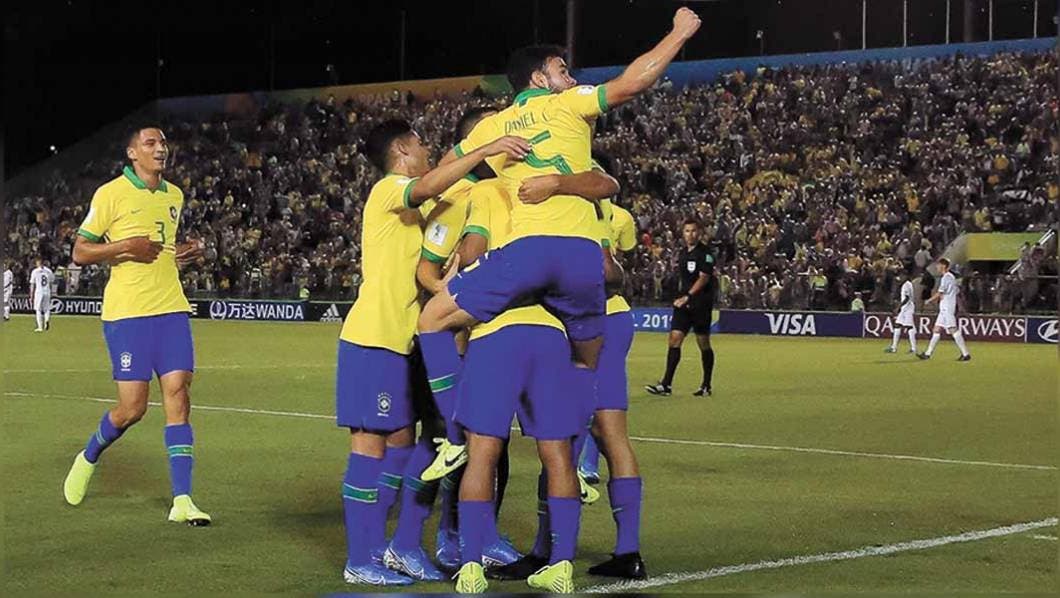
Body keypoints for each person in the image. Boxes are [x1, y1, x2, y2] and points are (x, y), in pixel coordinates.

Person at [416, 6, 703, 488]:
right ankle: (575, 461)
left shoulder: (493, 126)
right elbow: (632, 84)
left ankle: (454, 435)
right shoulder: (570, 104)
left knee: (432, 321)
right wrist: (679, 33)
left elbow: (436, 178)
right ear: (539, 78)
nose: (570, 77)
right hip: (583, 261)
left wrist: (484, 152)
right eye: (562, 69)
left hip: (526, 257)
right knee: (584, 365)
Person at [334, 118, 530, 586]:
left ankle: (385, 548)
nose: (427, 150)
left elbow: (437, 202)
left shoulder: (419, 207)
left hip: (401, 343)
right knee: (368, 449)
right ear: (402, 149)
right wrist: (484, 148)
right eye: (420, 143)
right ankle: (359, 559)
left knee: (401, 448)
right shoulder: (387, 190)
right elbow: (429, 184)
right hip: (372, 338)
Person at [448, 161, 620, 594]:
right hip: (549, 332)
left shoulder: (489, 191)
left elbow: (472, 255)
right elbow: (604, 272)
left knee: (481, 454)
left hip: (495, 331)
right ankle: (561, 564)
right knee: (557, 455)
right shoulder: (565, 198)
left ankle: (471, 567)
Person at [62, 125, 210, 526]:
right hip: (128, 314)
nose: (161, 149)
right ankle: (89, 455)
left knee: (178, 394)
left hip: (171, 308)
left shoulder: (174, 195)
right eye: (151, 143)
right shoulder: (110, 194)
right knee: (133, 408)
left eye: (163, 143)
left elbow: (161, 251)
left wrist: (182, 254)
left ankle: (182, 500)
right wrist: (126, 246)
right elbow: (80, 251)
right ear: (132, 153)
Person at [645, 219, 717, 397]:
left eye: (693, 231)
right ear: (683, 233)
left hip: (700, 304)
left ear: (699, 233)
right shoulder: (683, 253)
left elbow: (704, 278)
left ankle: (706, 385)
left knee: (703, 343)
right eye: (687, 231)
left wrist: (688, 296)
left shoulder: (706, 254)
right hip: (683, 304)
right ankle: (666, 385)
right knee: (674, 339)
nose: (690, 234)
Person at [918, 258, 971, 361]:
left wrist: (929, 300)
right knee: (936, 329)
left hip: (947, 307)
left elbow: (940, 292)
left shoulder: (946, 277)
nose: (937, 267)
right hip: (945, 308)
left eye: (938, 265)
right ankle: (927, 354)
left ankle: (965, 354)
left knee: (953, 329)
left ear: (943, 266)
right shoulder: (951, 277)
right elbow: (956, 292)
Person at [886, 269, 917, 354]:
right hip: (905, 309)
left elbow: (907, 298)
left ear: (905, 276)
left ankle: (913, 348)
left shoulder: (906, 285)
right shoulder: (907, 284)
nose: (900, 277)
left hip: (908, 308)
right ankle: (894, 347)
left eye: (901, 275)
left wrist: (898, 307)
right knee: (897, 325)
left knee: (909, 327)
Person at [29, 257, 55, 332]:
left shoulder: (35, 271)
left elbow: (32, 284)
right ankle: (47, 320)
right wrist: (51, 292)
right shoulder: (49, 271)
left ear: (38, 263)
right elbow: (51, 282)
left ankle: (40, 327)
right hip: (47, 291)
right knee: (46, 309)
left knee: (38, 309)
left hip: (39, 292)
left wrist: (31, 295)